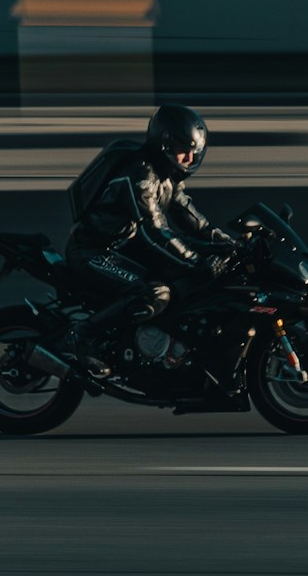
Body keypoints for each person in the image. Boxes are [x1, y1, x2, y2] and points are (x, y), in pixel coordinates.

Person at [58, 104, 237, 376]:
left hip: (125, 249)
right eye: (183, 149)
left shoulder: (167, 176)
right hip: (93, 250)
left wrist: (229, 244)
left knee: (185, 281)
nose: (189, 157)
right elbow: (155, 230)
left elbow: (190, 217)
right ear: (164, 143)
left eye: (194, 151)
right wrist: (196, 260)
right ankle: (82, 334)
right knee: (154, 292)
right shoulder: (140, 174)